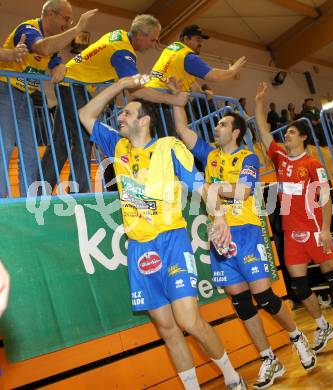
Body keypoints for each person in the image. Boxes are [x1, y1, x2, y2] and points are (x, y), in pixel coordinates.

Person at [78, 75, 247, 390]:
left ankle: (232, 377)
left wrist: (219, 215)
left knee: (188, 321)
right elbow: (85, 115)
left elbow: (200, 185)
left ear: (144, 120)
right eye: (121, 113)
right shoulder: (117, 145)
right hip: (139, 248)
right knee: (168, 329)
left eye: (127, 113)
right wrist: (119, 85)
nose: (120, 117)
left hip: (171, 240)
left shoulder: (170, 147)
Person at [173, 99, 317, 389]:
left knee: (264, 297)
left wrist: (210, 188)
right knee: (240, 302)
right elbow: (180, 128)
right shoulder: (208, 154)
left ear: (236, 132)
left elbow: (243, 191)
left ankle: (296, 336)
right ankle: (268, 359)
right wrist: (177, 100)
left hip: (247, 233)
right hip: (220, 236)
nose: (216, 127)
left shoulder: (247, 157)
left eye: (222, 124)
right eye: (216, 124)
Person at [255, 82, 333, 353]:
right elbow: (263, 131)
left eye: (290, 132)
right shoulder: (278, 158)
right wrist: (258, 102)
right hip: (292, 235)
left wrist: (325, 229)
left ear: (302, 138)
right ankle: (323, 325)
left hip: (315, 231)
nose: (286, 136)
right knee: (299, 287)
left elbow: (325, 197)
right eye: (286, 132)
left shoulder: (313, 165)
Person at [39, 14, 187, 194]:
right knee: (85, 137)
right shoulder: (123, 51)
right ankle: (77, 193)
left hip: (70, 85)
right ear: (139, 34)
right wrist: (171, 99)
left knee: (60, 141)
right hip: (73, 86)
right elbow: (137, 90)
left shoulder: (118, 35)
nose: (153, 44)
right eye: (152, 39)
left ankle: (40, 190)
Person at [0, 0, 97, 198]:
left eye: (71, 21)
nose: (68, 24)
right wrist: (78, 28)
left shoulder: (52, 43)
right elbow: (42, 48)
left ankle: (29, 201)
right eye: (66, 18)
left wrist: (59, 67)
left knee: (30, 151)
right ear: (50, 14)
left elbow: (55, 63)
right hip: (5, 91)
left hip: (26, 97)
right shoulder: (27, 29)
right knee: (6, 145)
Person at [146, 24, 246, 137]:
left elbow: (188, 79)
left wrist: (201, 93)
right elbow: (213, 76)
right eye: (198, 39)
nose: (200, 44)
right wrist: (232, 71)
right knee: (171, 142)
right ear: (186, 39)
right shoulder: (188, 57)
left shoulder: (171, 49)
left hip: (150, 97)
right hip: (165, 102)